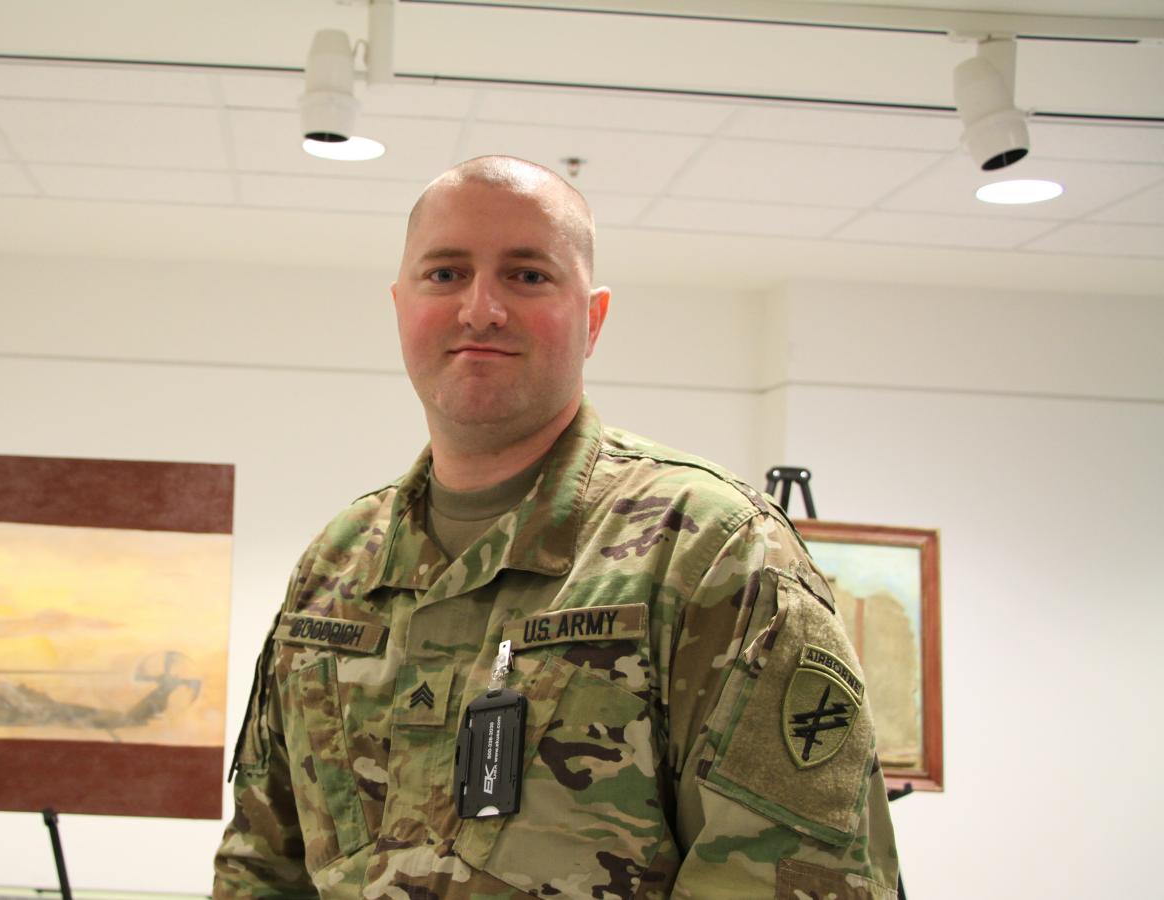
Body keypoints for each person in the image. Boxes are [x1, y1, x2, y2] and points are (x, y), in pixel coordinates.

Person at [212, 156, 900, 900]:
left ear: (593, 318)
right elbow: (261, 859)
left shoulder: (709, 553)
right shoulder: (336, 567)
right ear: (400, 305)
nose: (481, 309)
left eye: (527, 276)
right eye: (445, 274)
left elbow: (795, 879)